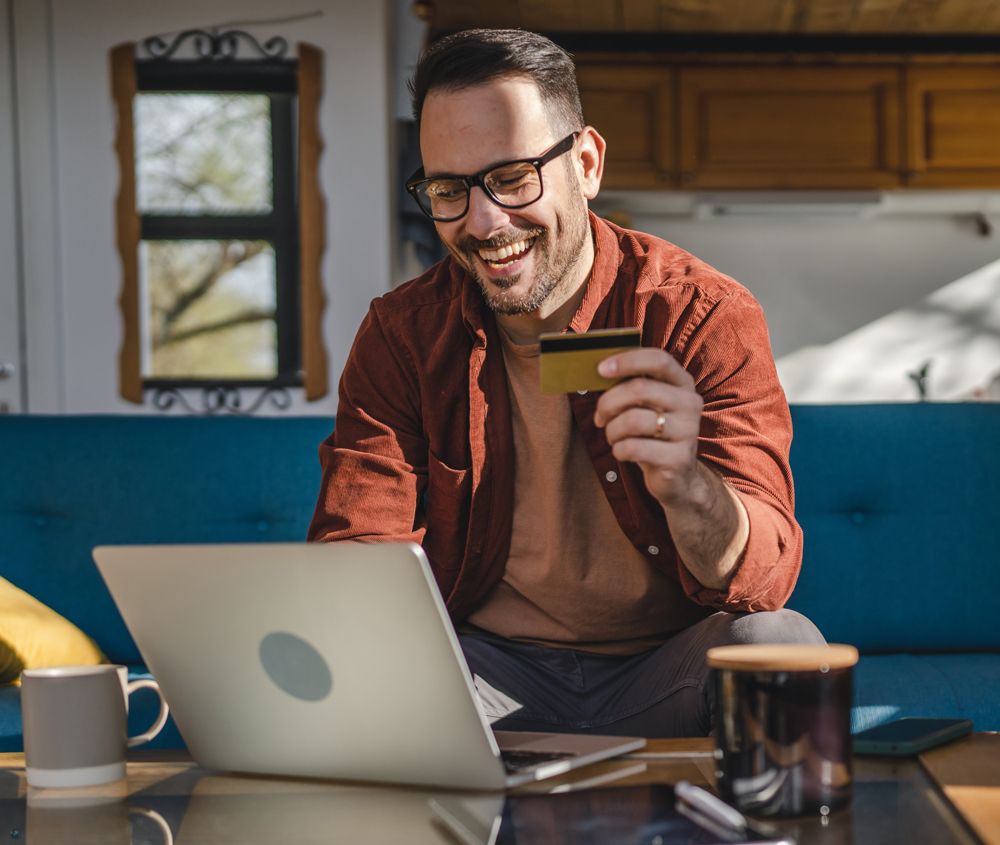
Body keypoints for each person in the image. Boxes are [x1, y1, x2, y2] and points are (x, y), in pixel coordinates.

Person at [309, 28, 824, 737]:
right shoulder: (402, 335)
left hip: (663, 669)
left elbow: (764, 582)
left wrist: (687, 484)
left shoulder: (703, 313)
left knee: (784, 647)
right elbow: (357, 545)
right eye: (449, 190)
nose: (485, 223)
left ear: (585, 163)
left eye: (514, 177)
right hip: (483, 677)